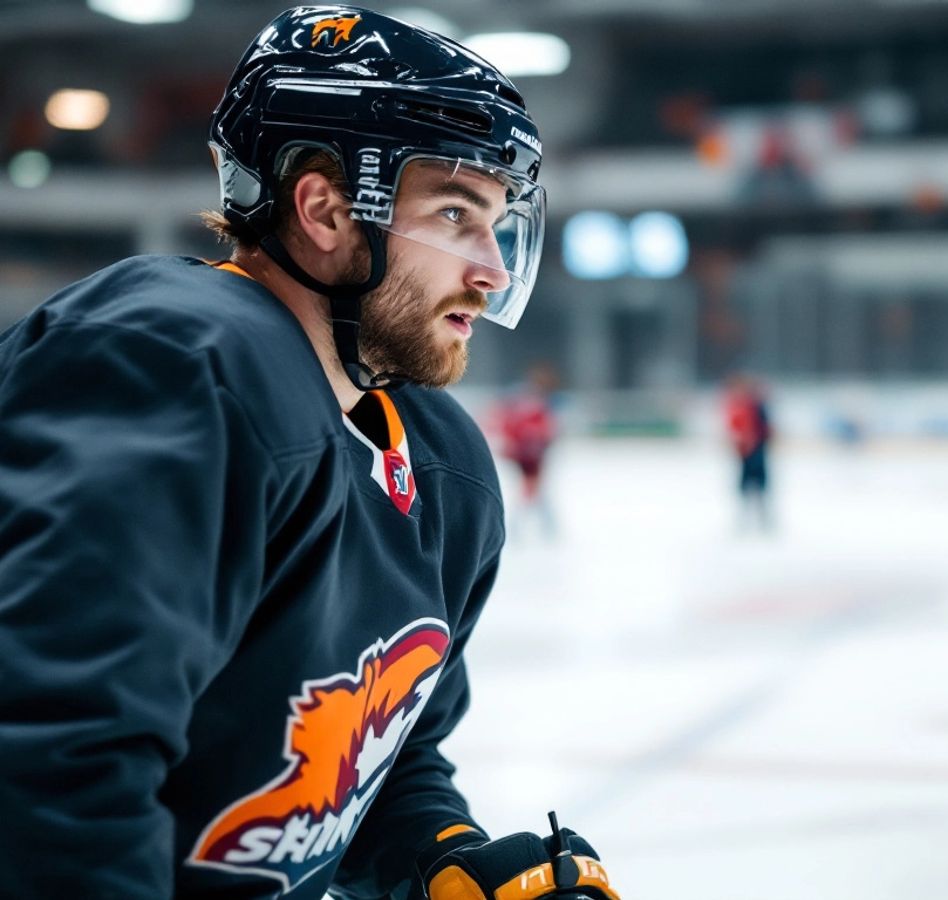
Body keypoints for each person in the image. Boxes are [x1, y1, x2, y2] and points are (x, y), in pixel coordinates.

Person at [0, 8, 619, 900]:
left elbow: (380, 762)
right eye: (455, 214)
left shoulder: (442, 466)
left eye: (496, 224)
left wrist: (441, 860)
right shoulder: (176, 362)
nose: (489, 266)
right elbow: (52, 758)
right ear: (325, 209)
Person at [494, 365, 559, 538]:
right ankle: (541, 526)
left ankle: (543, 526)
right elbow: (512, 429)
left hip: (533, 455)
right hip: (526, 456)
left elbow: (548, 431)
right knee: (532, 490)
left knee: (534, 490)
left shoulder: (539, 407)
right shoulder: (527, 406)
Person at [723, 373, 773, 532]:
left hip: (757, 451)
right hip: (746, 453)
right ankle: (746, 519)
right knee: (746, 486)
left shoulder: (757, 406)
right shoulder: (739, 406)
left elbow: (766, 429)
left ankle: (762, 520)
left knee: (759, 486)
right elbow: (734, 428)